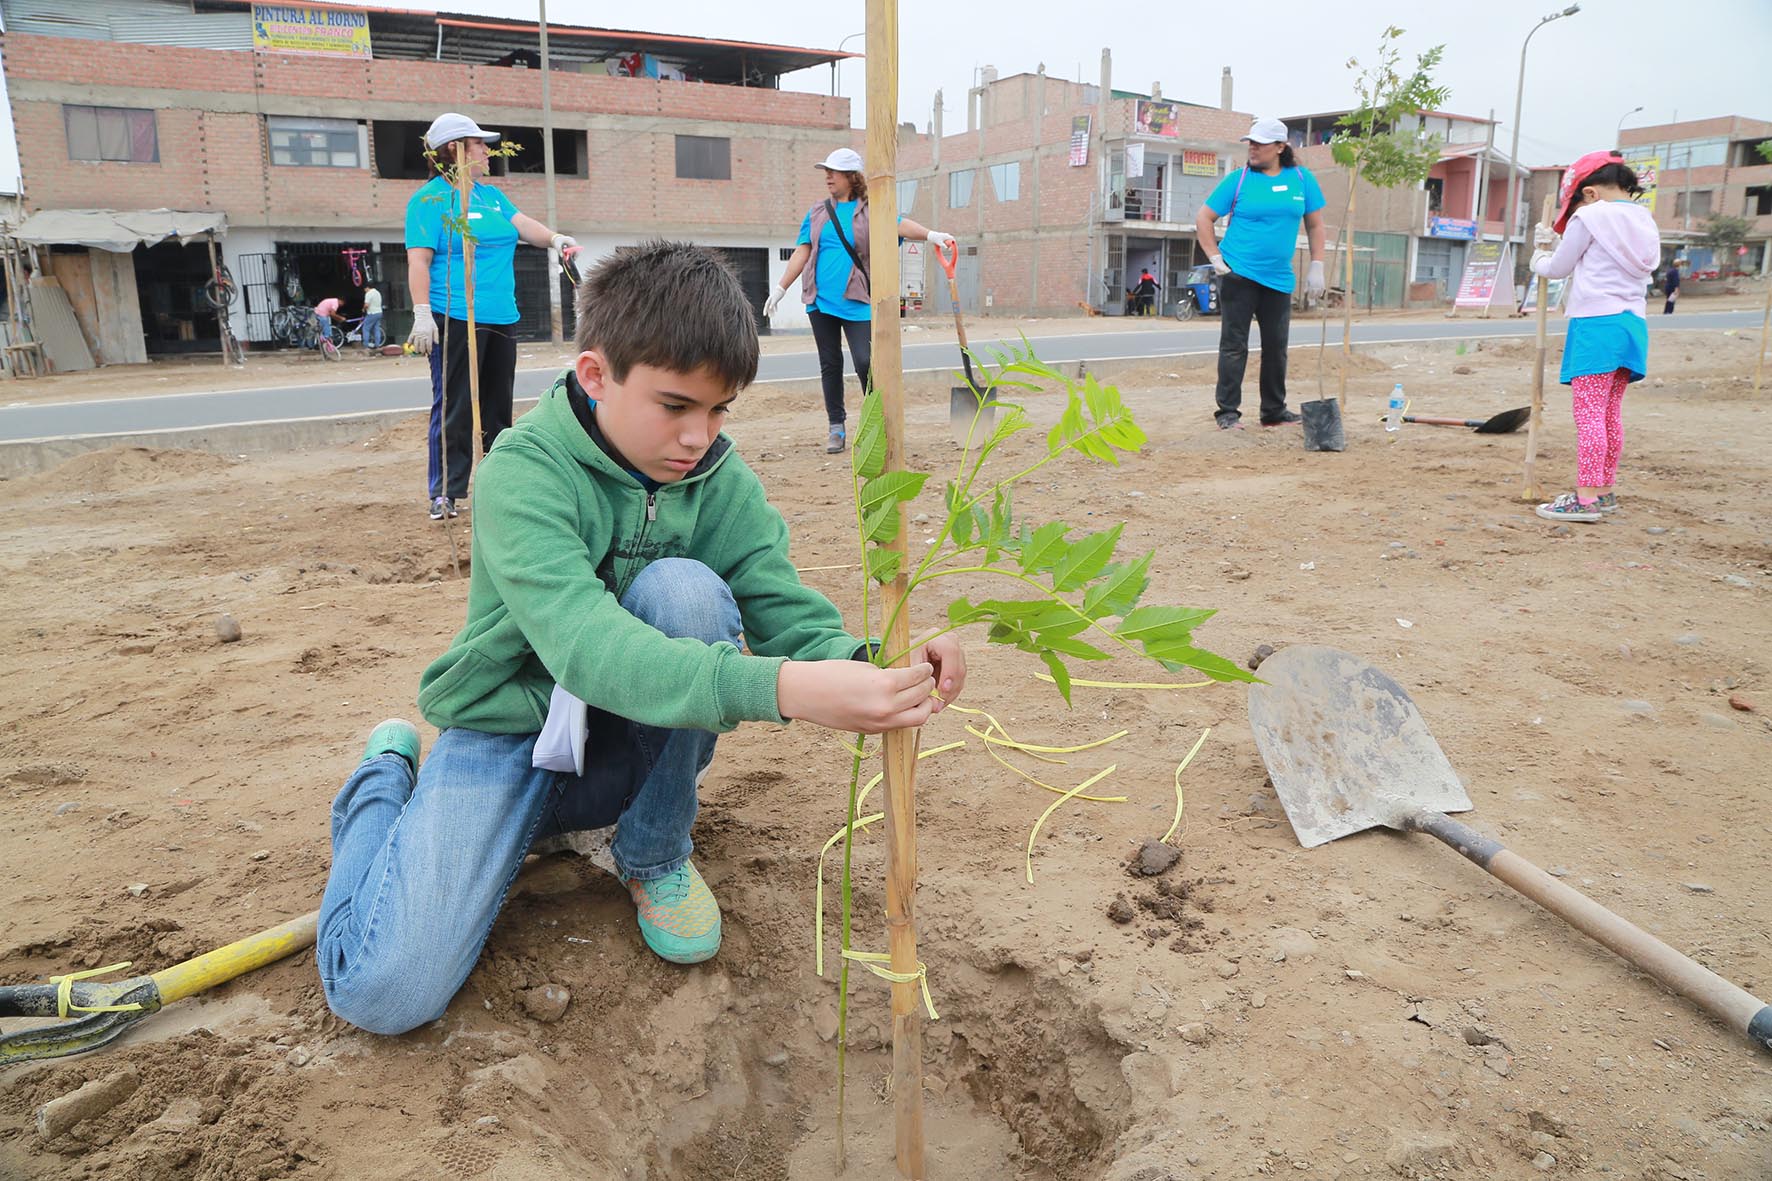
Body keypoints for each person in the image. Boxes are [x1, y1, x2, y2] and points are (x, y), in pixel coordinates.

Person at [316, 241, 969, 1036]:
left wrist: (875, 664)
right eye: (674, 406)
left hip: (623, 747)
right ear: (596, 376)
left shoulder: (718, 482)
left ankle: (652, 851)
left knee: (687, 592)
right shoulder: (524, 471)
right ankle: (383, 780)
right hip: (509, 737)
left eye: (719, 409)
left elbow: (784, 606)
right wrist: (783, 688)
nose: (699, 435)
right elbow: (586, 646)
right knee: (383, 990)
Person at [406, 112, 580, 521]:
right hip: (454, 315)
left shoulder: (490, 197)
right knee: (455, 405)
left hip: (501, 316)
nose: (486, 150)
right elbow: (418, 261)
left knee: (499, 407)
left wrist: (555, 239)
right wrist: (421, 313)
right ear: (455, 149)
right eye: (479, 144)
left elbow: (524, 226)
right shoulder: (429, 201)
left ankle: (501, 482)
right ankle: (446, 492)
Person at [763, 148, 955, 454]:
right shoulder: (818, 211)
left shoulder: (870, 209)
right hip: (820, 301)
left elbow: (898, 224)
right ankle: (836, 427)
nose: (827, 176)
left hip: (857, 300)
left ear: (852, 177)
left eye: (834, 172)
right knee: (830, 364)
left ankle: (874, 422)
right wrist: (781, 287)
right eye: (825, 171)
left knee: (865, 362)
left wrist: (931, 235)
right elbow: (803, 250)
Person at [1528, 152, 1660, 524]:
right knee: (1609, 413)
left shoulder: (1589, 215)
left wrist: (1538, 257)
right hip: (1632, 325)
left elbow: (1558, 268)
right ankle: (1603, 491)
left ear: (1588, 192)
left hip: (1596, 324)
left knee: (1588, 415)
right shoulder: (1644, 219)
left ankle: (1584, 499)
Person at [1194, 117, 1327, 430]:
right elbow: (1204, 218)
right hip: (1238, 273)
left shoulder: (1302, 179)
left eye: (1260, 143)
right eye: (1250, 142)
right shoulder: (1238, 180)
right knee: (1234, 345)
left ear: (1280, 147)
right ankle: (1227, 413)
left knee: (1276, 348)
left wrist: (1317, 266)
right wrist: (1215, 257)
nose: (1252, 148)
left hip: (1279, 278)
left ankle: (1273, 411)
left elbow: (1316, 224)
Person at [361, 284, 384, 350]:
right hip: (379, 312)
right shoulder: (377, 292)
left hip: (372, 313)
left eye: (364, 289)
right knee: (376, 329)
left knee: (366, 328)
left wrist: (363, 309)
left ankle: (366, 346)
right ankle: (377, 345)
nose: (364, 291)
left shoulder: (368, 294)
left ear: (367, 288)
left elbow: (366, 305)